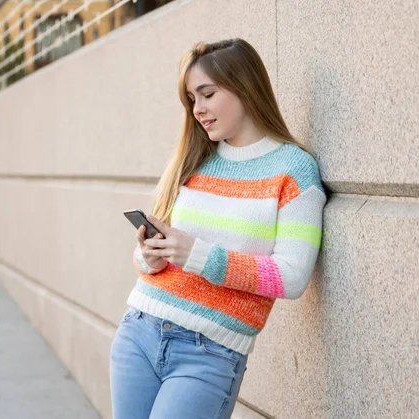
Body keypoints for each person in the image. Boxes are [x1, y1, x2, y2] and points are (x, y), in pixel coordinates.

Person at [110, 38, 327, 419]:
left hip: (209, 352)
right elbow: (150, 257)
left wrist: (197, 255)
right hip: (139, 330)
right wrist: (148, 256)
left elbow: (292, 276)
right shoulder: (194, 160)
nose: (198, 109)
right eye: (192, 99)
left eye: (207, 94)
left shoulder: (295, 171)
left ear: (244, 86)